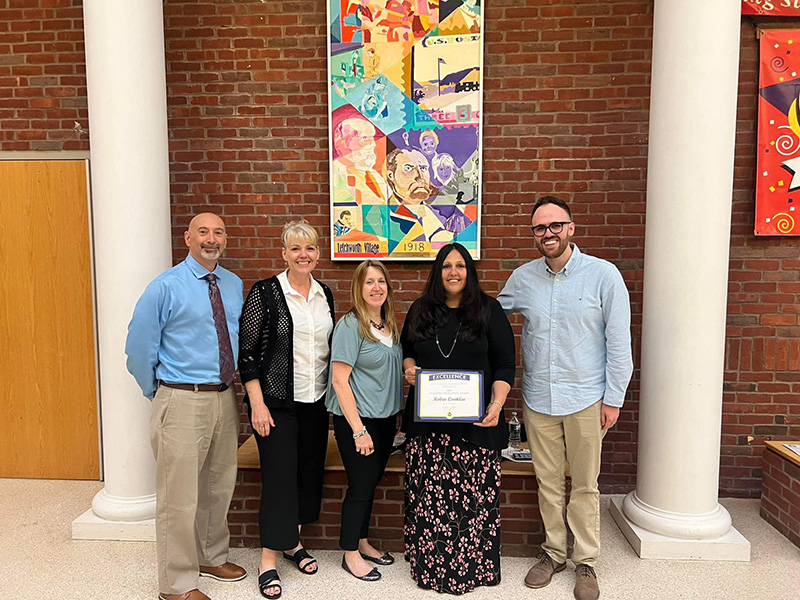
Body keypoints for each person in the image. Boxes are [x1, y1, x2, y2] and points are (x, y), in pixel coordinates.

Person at [498, 196, 633, 600]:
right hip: (539, 399)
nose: (548, 234)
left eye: (555, 225)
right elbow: (489, 318)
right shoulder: (523, 278)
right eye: (540, 228)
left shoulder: (603, 276)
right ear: (534, 235)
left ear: (571, 228)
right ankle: (554, 553)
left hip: (588, 398)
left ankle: (586, 560)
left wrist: (614, 398)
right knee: (549, 483)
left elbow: (619, 341)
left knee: (586, 484)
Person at [125, 213, 246, 600]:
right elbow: (138, 349)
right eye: (204, 233)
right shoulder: (165, 287)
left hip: (224, 397)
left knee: (217, 484)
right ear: (188, 238)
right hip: (181, 397)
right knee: (178, 497)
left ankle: (210, 556)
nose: (212, 239)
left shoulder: (232, 284)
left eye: (219, 232)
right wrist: (160, 392)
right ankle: (176, 584)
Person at [400, 242, 515, 595]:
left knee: (473, 501)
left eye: (461, 266)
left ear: (470, 271)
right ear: (437, 272)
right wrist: (408, 370)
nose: (453, 272)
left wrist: (496, 406)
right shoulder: (420, 310)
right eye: (447, 266)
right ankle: (431, 568)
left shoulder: (489, 310)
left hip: (476, 425)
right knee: (431, 499)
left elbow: (505, 364)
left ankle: (472, 569)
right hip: (429, 427)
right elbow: (407, 351)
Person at [238, 221, 336, 599]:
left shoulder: (324, 293)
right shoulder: (266, 292)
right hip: (276, 405)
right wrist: (257, 405)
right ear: (284, 253)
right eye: (295, 249)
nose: (303, 255)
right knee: (279, 480)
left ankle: (292, 544)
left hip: (314, 403)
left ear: (317, 253)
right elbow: (247, 354)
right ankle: (267, 560)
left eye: (310, 248)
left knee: (307, 475)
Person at [327, 260, 404, 582]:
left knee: (370, 483)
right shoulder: (350, 325)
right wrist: (359, 430)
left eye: (381, 281)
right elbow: (339, 381)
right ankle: (350, 554)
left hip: (385, 419)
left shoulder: (390, 325)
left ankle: (362, 542)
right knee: (360, 486)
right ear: (358, 288)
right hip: (358, 421)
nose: (376, 288)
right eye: (369, 282)